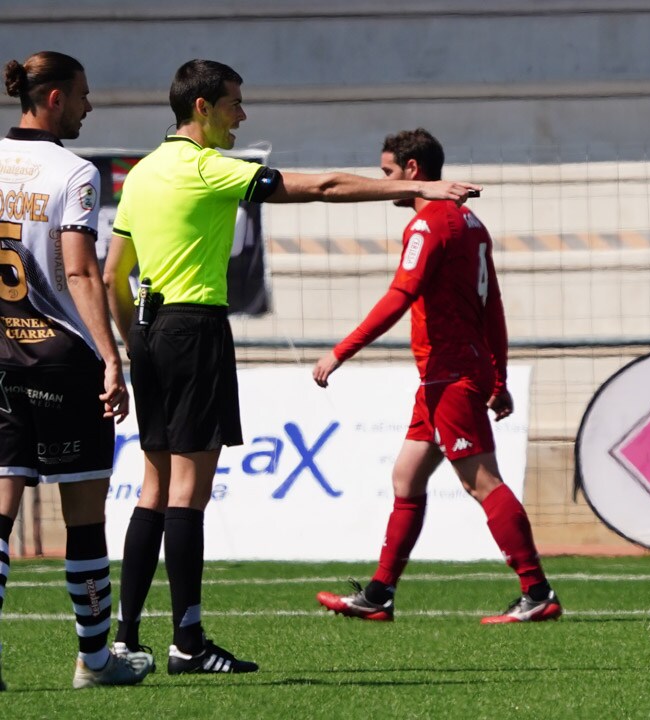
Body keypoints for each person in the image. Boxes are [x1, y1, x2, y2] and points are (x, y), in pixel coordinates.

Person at [102, 61, 480, 676]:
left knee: (152, 487)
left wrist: (130, 345)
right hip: (195, 330)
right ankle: (188, 643)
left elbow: (116, 269)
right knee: (187, 496)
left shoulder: (142, 173)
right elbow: (323, 188)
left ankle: (125, 638)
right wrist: (416, 191)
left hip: (148, 333)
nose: (241, 115)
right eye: (233, 104)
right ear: (201, 108)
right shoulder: (208, 167)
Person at [313, 129, 561, 625]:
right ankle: (379, 594)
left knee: (482, 482)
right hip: (447, 372)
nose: (384, 185)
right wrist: (499, 375)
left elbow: (399, 295)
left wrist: (341, 351)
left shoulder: (429, 226)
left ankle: (537, 592)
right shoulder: (470, 222)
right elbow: (492, 307)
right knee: (406, 476)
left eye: (386, 173)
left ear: (412, 170)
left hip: (450, 373)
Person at [0, 51, 153, 690]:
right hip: (64, 361)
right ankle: (94, 661)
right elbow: (83, 269)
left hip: (3, 354)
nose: (91, 105)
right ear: (56, 97)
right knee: (85, 517)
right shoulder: (76, 172)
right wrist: (111, 357)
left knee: (0, 513)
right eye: (85, 94)